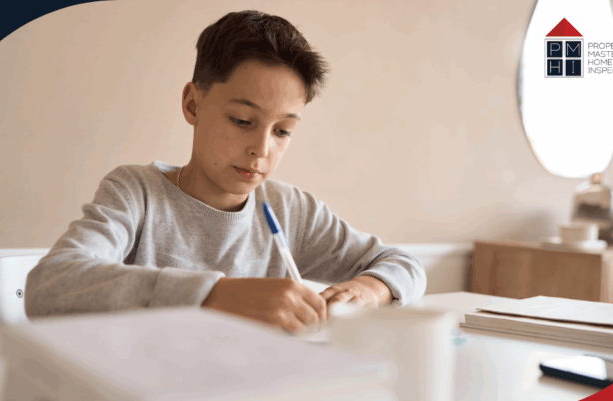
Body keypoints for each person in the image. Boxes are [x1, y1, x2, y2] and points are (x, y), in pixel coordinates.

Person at [25, 10, 427, 334]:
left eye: (283, 131)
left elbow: (403, 264)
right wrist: (213, 295)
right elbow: (51, 286)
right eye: (240, 120)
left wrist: (368, 291)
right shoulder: (137, 193)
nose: (262, 149)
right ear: (193, 105)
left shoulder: (290, 211)